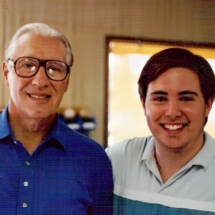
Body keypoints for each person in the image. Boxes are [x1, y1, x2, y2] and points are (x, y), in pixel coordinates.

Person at [0, 23, 113, 214]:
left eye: (54, 69)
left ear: (66, 81)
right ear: (6, 73)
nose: (41, 81)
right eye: (28, 65)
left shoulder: (93, 159)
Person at [106, 48, 215, 214]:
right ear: (144, 104)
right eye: (160, 99)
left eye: (186, 99)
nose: (172, 112)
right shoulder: (117, 160)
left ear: (208, 105)